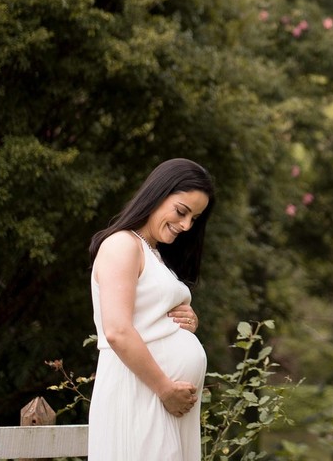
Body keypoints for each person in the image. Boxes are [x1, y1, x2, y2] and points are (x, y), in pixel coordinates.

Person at [87, 158, 216, 460]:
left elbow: (147, 316)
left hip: (160, 399)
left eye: (194, 218)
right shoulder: (122, 244)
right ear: (158, 194)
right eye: (181, 211)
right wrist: (165, 389)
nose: (186, 225)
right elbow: (117, 331)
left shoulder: (153, 253)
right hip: (141, 394)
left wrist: (185, 322)